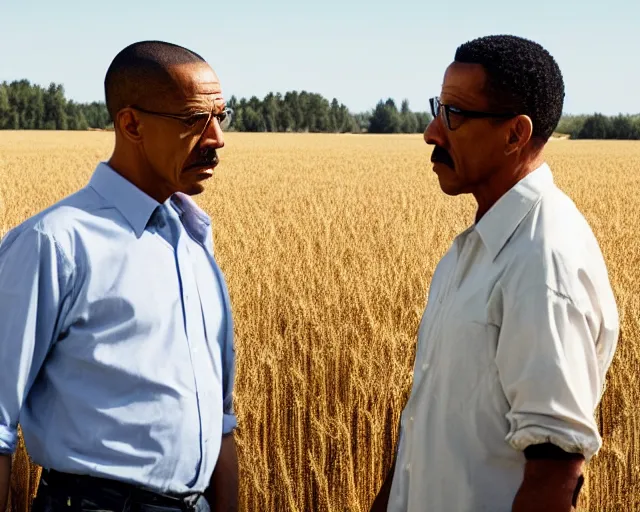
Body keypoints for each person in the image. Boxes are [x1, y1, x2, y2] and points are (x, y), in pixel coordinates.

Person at [370, 34, 619, 512]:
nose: (431, 131)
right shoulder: (474, 249)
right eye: (437, 108)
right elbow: (425, 431)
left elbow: (556, 469)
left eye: (455, 115)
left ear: (515, 134)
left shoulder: (543, 261)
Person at [0, 40, 238, 512]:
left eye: (221, 116)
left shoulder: (195, 241)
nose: (216, 139)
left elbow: (222, 421)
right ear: (131, 124)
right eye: (194, 120)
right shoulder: (53, 244)